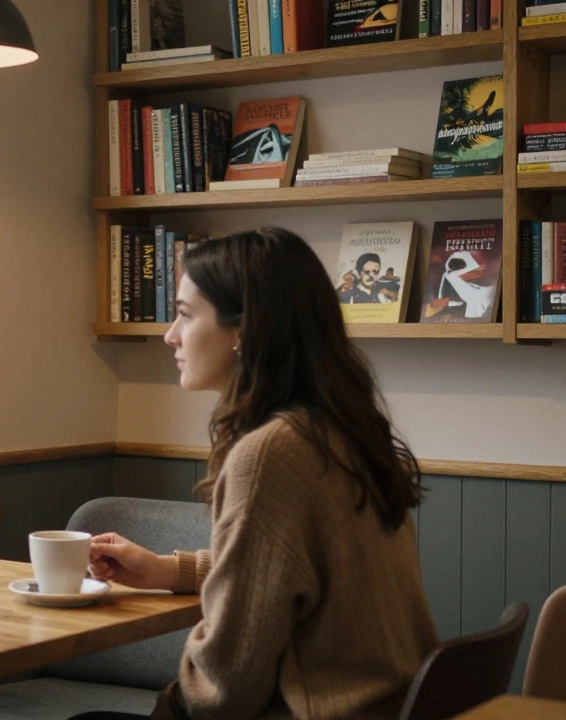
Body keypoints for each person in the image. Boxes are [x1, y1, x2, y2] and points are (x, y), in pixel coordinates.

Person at [72, 228, 438, 720]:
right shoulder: (341, 430)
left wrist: (166, 708)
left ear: (244, 329)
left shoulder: (271, 454)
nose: (170, 336)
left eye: (184, 314)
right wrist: (167, 570)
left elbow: (226, 687)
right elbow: (285, 577)